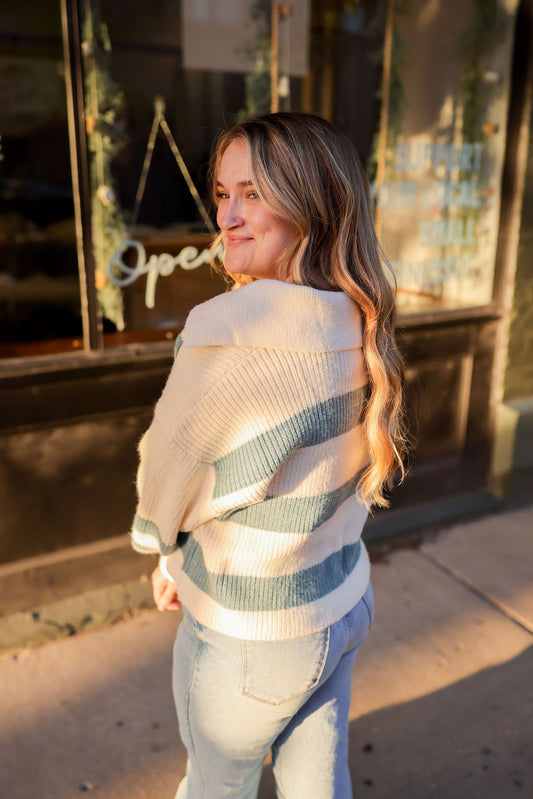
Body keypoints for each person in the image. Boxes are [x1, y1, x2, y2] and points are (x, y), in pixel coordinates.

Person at [131, 112, 407, 799]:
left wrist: (163, 552)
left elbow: (170, 478)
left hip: (249, 634)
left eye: (252, 193)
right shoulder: (361, 313)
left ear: (311, 204)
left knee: (213, 787)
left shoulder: (234, 328)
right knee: (318, 783)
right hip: (340, 601)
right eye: (223, 193)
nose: (227, 214)